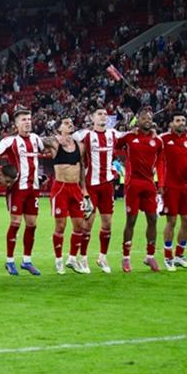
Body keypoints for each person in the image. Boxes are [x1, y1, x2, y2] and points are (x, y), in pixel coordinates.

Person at [0, 109, 45, 276]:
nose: (27, 122)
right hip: (17, 188)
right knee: (15, 223)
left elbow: (46, 148)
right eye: (23, 120)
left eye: (29, 119)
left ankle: (27, 261)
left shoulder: (36, 139)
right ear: (17, 124)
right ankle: (10, 261)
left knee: (32, 224)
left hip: (33, 189)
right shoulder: (10, 141)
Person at [72, 107, 124, 273]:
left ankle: (102, 257)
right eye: (99, 114)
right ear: (92, 118)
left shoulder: (114, 134)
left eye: (105, 114)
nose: (103, 116)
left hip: (107, 186)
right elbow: (66, 137)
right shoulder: (84, 135)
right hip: (91, 186)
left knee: (107, 223)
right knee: (88, 223)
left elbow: (130, 136)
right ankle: (83, 258)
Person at [42, 118, 93, 274]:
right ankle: (58, 260)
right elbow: (40, 140)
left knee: (80, 226)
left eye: (71, 122)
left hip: (75, 188)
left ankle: (72, 259)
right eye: (66, 123)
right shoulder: (55, 144)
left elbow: (82, 167)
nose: (70, 124)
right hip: (61, 188)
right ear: (59, 128)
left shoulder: (80, 146)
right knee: (61, 226)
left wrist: (84, 190)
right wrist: (56, 138)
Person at [116, 108, 163, 273]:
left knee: (153, 219)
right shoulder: (129, 137)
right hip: (132, 184)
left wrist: (161, 185)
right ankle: (126, 258)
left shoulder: (157, 141)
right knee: (131, 220)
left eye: (150, 118)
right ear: (138, 120)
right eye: (144, 118)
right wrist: (124, 161)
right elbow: (116, 147)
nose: (147, 120)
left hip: (149, 184)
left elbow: (161, 163)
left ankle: (150, 256)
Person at [157, 113, 187, 270]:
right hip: (170, 187)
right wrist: (160, 185)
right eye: (178, 120)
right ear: (171, 123)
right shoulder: (163, 139)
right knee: (172, 221)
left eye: (183, 120)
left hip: (185, 187)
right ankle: (168, 257)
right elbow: (156, 160)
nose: (181, 123)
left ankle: (179, 255)